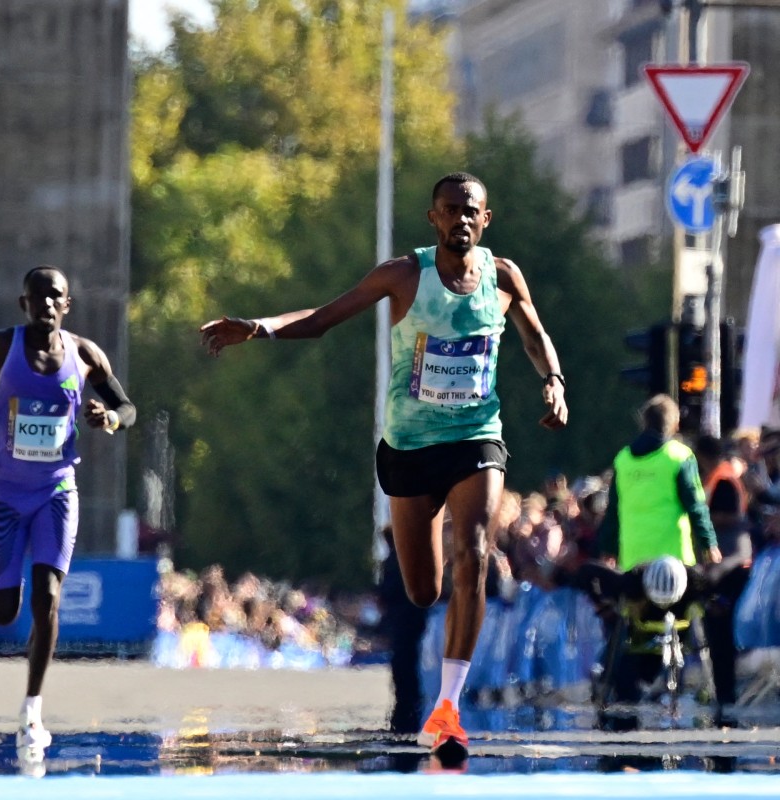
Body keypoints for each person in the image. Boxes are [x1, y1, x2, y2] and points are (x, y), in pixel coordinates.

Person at [199, 172, 568, 754]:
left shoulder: (502, 276)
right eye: (449, 210)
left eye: (471, 210)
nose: (460, 219)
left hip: (476, 436)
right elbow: (324, 317)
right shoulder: (404, 275)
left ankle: (448, 706)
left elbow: (534, 333)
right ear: (433, 218)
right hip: (409, 447)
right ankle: (440, 678)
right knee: (424, 590)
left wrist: (553, 381)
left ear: (486, 219)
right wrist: (259, 327)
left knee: (473, 551)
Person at [0, 265, 137, 754]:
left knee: (47, 599)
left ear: (67, 305)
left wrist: (109, 417)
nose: (47, 303)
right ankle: (11, 582)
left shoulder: (86, 355)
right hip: (5, 493)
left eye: (57, 297)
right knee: (5, 614)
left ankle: (32, 710)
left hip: (56, 491)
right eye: (38, 296)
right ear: (23, 303)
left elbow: (128, 409)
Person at [561, 397, 748, 722]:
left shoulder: (623, 460)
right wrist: (710, 544)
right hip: (679, 571)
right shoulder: (679, 456)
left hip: (635, 571)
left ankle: (618, 693)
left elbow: (614, 513)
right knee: (712, 613)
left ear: (643, 422)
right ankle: (724, 696)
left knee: (631, 628)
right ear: (673, 424)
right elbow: (695, 505)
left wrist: (607, 549)